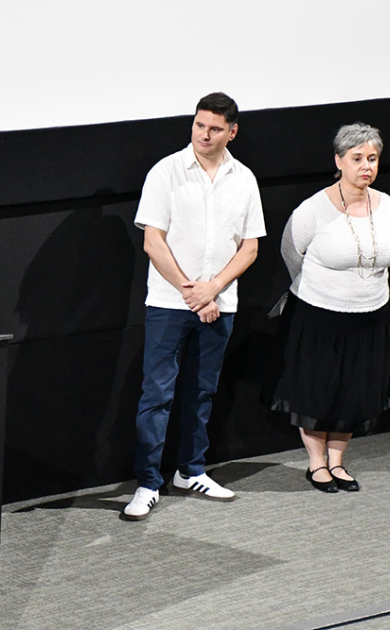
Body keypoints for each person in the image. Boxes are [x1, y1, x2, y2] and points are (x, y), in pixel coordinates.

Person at [123, 93, 266, 520]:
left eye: (215, 128)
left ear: (232, 132)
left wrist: (214, 289)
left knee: (202, 392)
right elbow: (153, 242)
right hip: (169, 304)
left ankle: (191, 471)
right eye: (199, 125)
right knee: (157, 394)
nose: (204, 134)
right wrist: (193, 293)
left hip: (220, 304)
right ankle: (149, 482)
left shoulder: (244, 179)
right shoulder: (165, 172)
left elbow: (250, 247)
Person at [266, 123, 390, 493]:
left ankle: (337, 462)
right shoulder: (313, 209)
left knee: (355, 388)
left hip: (371, 315)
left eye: (372, 158)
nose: (366, 166)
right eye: (357, 158)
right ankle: (316, 464)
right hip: (320, 315)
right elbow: (291, 252)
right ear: (339, 161)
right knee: (317, 389)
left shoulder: (388, 205)